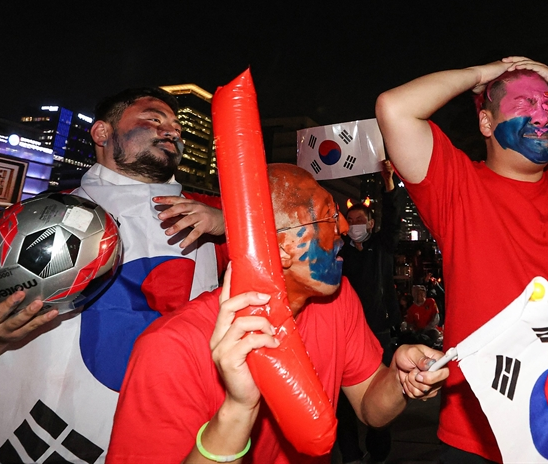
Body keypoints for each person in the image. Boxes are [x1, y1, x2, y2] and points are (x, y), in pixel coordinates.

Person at [375, 57, 548, 462]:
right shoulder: (456, 184)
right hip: (479, 431)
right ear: (486, 123)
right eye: (526, 104)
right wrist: (485, 75)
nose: (543, 116)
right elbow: (394, 107)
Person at [107, 163, 449, 463]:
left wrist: (401, 379)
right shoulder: (169, 348)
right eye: (329, 216)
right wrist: (238, 410)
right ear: (280, 247)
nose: (344, 226)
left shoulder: (339, 301)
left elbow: (370, 408)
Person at [0, 87, 228, 463]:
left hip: (175, 435)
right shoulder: (30, 224)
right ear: (102, 133)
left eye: (178, 127)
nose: (173, 132)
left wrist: (233, 224)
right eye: (154, 118)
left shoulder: (219, 218)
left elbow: (304, 230)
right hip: (46, 437)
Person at [336, 159, 406, 464]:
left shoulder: (382, 246)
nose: (356, 225)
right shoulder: (339, 252)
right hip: (344, 335)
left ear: (371, 223)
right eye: (350, 221)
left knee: (381, 395)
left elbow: (393, 219)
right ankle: (350, 455)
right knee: (342, 405)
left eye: (361, 219)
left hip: (377, 333)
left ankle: (379, 455)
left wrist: (387, 183)